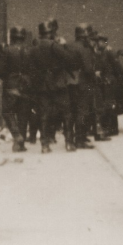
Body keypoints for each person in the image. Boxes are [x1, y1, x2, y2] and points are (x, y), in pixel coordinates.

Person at [30, 18, 80, 153]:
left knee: (44, 115)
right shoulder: (54, 45)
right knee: (67, 113)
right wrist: (64, 46)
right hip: (58, 84)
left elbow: (31, 69)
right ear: (51, 32)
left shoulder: (34, 48)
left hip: (42, 86)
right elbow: (71, 60)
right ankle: (69, 142)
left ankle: (45, 145)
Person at [0, 26, 35, 152]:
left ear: (12, 36)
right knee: (23, 115)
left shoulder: (7, 50)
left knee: (7, 111)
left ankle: (16, 135)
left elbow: (1, 70)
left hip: (11, 85)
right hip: (27, 85)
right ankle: (20, 144)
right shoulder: (30, 50)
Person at [69, 24, 101, 147]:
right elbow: (88, 69)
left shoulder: (69, 46)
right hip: (83, 83)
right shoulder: (85, 48)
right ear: (85, 36)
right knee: (83, 111)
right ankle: (80, 139)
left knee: (72, 111)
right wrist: (95, 74)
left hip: (71, 82)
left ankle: (71, 138)